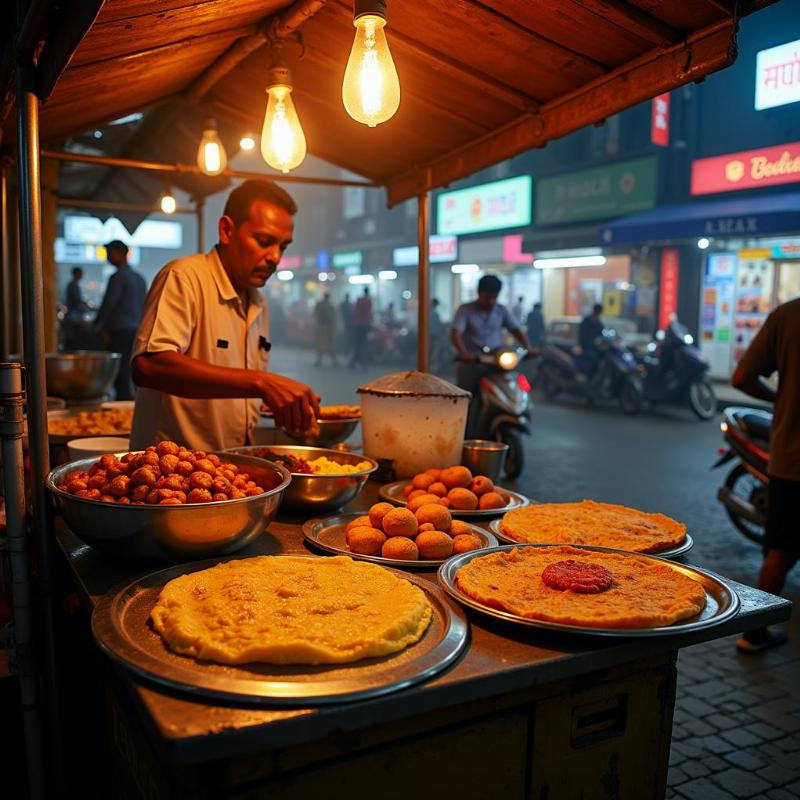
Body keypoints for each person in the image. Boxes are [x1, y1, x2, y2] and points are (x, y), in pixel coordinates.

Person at [130, 179, 319, 451]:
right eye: (264, 241)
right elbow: (149, 366)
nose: (275, 257)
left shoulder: (258, 302)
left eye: (283, 247)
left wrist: (278, 400)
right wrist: (262, 383)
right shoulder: (185, 277)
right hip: (171, 479)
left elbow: (235, 386)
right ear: (227, 230)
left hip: (229, 475)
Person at [731, 298, 799, 652]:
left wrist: (781, 397)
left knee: (780, 549)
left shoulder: (788, 314)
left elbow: (741, 377)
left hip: (790, 457)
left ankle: (754, 632)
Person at [451, 274, 531, 436]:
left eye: (494, 297)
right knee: (466, 401)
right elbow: (456, 333)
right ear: (479, 293)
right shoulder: (465, 310)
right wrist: (463, 353)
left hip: (495, 361)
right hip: (472, 363)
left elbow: (515, 329)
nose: (491, 301)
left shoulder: (501, 311)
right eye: (488, 297)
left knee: (514, 384)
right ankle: (463, 435)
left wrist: (528, 347)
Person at [95, 241, 147, 401]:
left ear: (120, 253)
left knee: (120, 373)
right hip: (136, 329)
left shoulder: (117, 277)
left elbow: (109, 304)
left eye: (110, 253)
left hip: (118, 331)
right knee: (132, 370)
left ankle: (122, 406)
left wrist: (99, 324)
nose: (108, 257)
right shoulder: (139, 278)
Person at [349, 287, 373, 369]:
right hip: (364, 325)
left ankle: (354, 362)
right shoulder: (368, 301)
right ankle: (362, 364)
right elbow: (368, 313)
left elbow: (354, 312)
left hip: (357, 324)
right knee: (363, 345)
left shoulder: (359, 300)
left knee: (358, 344)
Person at [578, 303, 604, 374]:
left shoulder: (599, 324)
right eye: (598, 311)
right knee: (593, 357)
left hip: (595, 347)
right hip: (587, 347)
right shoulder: (586, 321)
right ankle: (589, 374)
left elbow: (602, 334)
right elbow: (582, 335)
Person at [313, 293, 338, 366]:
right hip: (328, 328)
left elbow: (315, 313)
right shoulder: (330, 306)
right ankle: (334, 361)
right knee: (330, 344)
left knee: (320, 344)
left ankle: (319, 361)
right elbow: (333, 317)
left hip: (320, 327)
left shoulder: (319, 304)